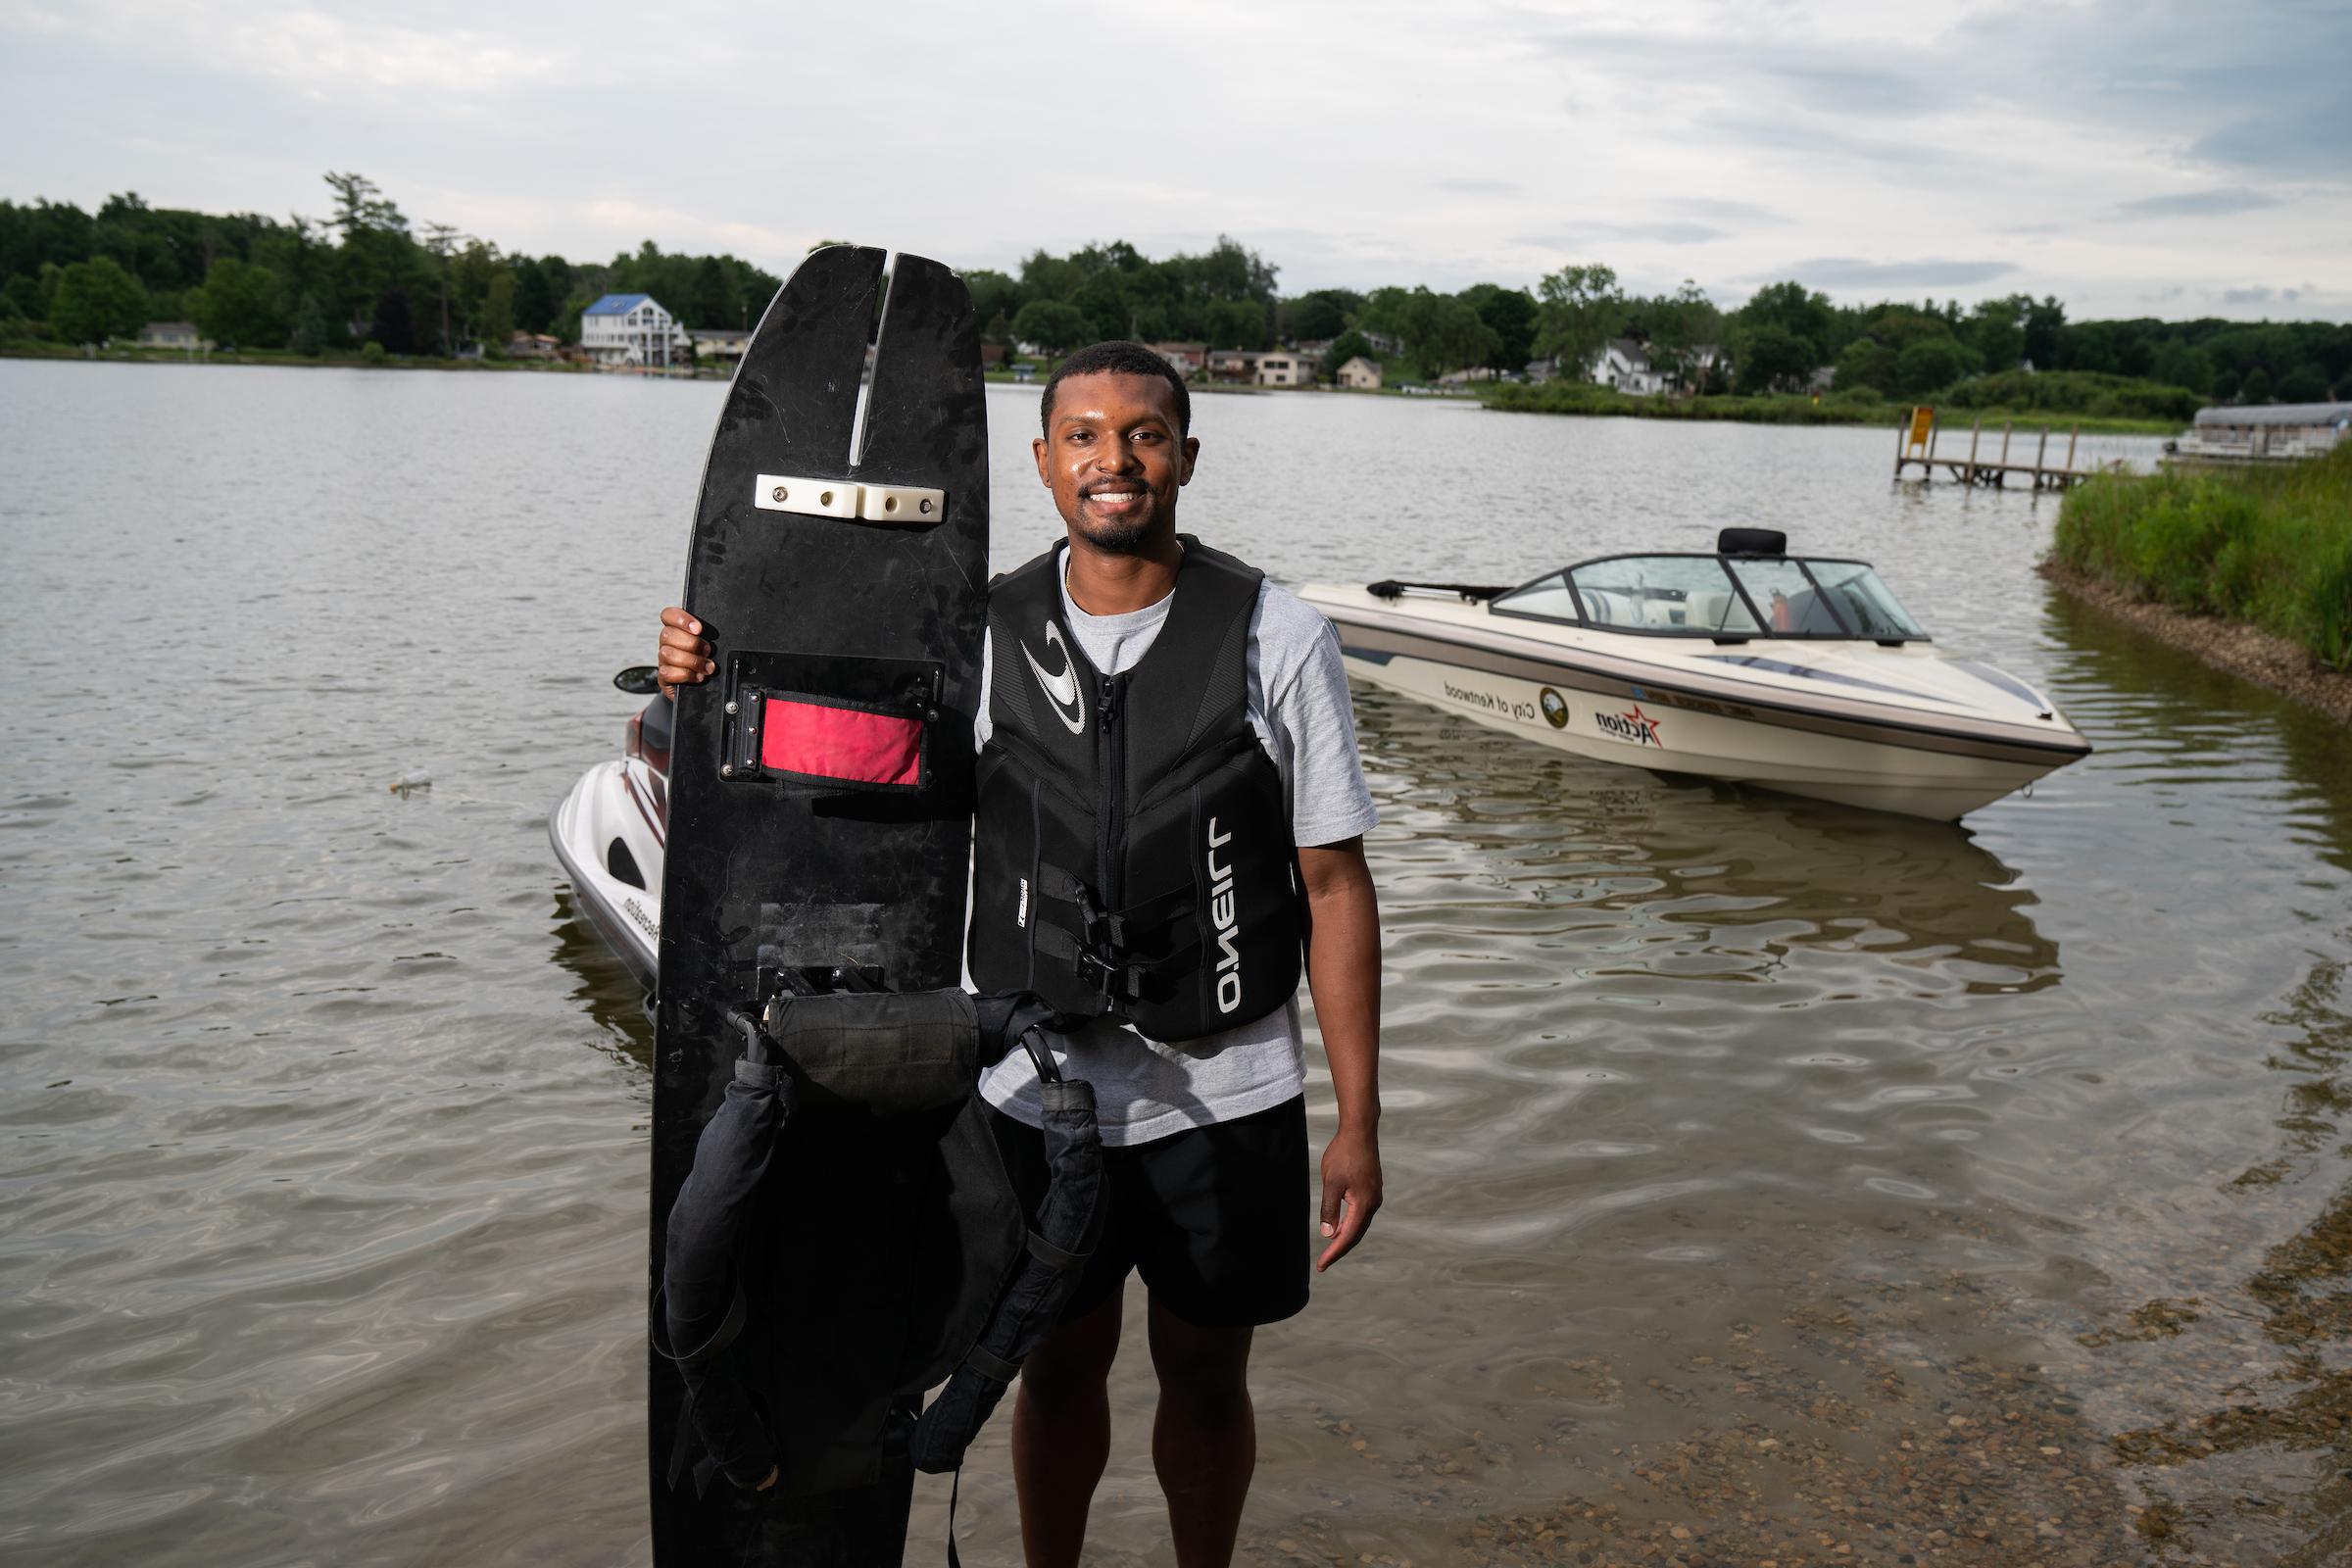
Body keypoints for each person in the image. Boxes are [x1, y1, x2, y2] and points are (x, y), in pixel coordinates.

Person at [657, 339, 1384, 1568]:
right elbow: (847, 753)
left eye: (1145, 434)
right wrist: (712, 674)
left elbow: (1333, 883)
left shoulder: (1281, 636)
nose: (1117, 460)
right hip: (1037, 1093)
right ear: (1042, 464)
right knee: (1053, 1369)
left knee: (1207, 1378)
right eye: (1086, 436)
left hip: (1231, 1092)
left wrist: (1359, 1119)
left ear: (1187, 457)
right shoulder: (981, 633)